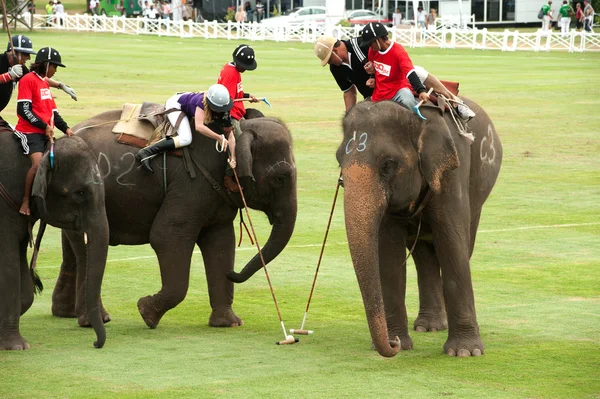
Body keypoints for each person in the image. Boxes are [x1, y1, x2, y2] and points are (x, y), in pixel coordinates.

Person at [314, 34, 475, 119]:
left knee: (416, 70)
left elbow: (389, 57)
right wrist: (348, 118)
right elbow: (349, 92)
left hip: (395, 83)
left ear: (335, 51)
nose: (329, 63)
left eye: (328, 60)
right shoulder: (336, 69)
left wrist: (376, 73)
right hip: (373, 97)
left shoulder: (362, 44)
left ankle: (455, 102)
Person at [360, 23, 475, 119]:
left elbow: (410, 72)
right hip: (379, 93)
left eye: (371, 42)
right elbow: (377, 69)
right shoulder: (372, 51)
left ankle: (420, 127)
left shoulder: (398, 51)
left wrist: (421, 90)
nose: (370, 46)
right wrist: (372, 78)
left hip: (398, 90)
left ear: (379, 39)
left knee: (408, 101)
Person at [14, 47, 73, 216]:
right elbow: (23, 110)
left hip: (45, 133)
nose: (55, 71)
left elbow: (53, 113)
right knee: (38, 164)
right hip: (28, 133)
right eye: (55, 66)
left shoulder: (44, 82)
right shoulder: (28, 80)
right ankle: (25, 201)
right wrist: (43, 126)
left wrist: (67, 129)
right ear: (46, 65)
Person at [135, 84, 235, 172]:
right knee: (186, 139)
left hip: (185, 99)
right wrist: (218, 137)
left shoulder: (225, 109)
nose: (219, 111)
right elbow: (199, 127)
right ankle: (146, 152)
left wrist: (233, 157)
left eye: (221, 109)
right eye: (216, 108)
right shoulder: (201, 103)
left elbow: (230, 135)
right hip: (175, 105)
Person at [0, 36, 76, 124]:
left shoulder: (20, 68)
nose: (28, 58)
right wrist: (9, 75)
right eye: (25, 54)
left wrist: (60, 85)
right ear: (14, 52)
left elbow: (36, 78)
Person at [217, 44, 259, 140]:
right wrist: (227, 123)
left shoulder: (231, 67)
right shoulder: (231, 74)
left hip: (237, 112)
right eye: (244, 66)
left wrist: (248, 96)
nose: (245, 69)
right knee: (242, 142)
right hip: (232, 115)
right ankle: (232, 155)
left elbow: (234, 92)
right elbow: (226, 101)